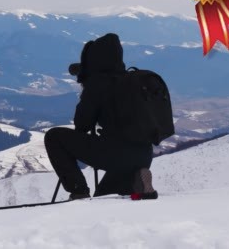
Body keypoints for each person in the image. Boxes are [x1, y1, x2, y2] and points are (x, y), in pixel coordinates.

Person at [44, 33, 158, 200]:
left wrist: (86, 92)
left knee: (54, 137)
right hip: (144, 156)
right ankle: (138, 180)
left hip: (115, 154)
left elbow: (82, 124)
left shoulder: (98, 83)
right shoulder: (132, 80)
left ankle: (79, 190)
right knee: (102, 198)